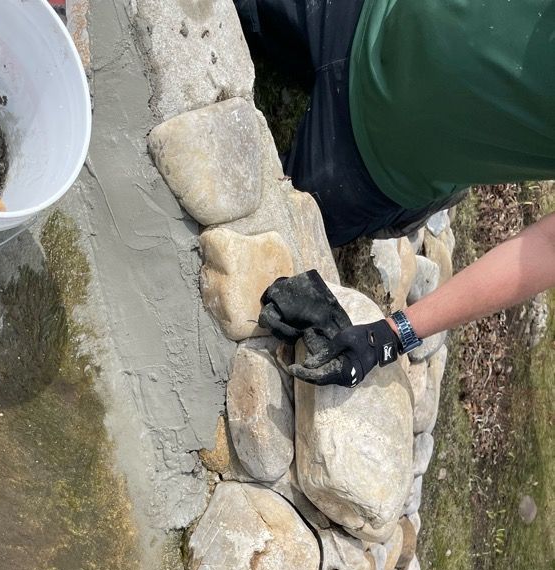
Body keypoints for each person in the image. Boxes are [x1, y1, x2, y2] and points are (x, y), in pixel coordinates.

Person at [234, 0, 555, 386]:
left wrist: (389, 336)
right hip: (361, 12)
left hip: (374, 162)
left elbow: (546, 248)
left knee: (243, 258)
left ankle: (421, 203)